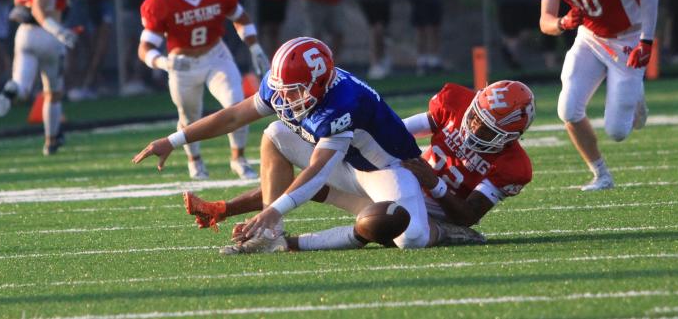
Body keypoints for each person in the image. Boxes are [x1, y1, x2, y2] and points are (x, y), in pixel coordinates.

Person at [133, 37, 479, 254]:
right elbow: (233, 117)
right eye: (282, 88)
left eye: (294, 90)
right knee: (274, 134)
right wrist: (174, 140)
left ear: (320, 83)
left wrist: (273, 207)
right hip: (349, 166)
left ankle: (442, 230)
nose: (285, 97)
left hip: (386, 170)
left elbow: (317, 170)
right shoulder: (286, 83)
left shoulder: (344, 102)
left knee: (411, 238)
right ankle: (269, 236)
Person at [183, 80, 535, 252]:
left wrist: (436, 183)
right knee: (318, 170)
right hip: (396, 179)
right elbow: (404, 128)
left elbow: (468, 213)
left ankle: (442, 236)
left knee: (402, 234)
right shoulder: (455, 102)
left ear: (512, 131)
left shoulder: (514, 166)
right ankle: (226, 210)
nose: (473, 128)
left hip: (436, 207)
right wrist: (361, 136)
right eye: (475, 118)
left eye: (486, 128)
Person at [534, 0, 660, 191]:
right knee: (568, 109)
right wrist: (563, 23)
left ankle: (636, 96)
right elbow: (546, 22)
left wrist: (647, 42)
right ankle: (601, 174)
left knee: (617, 131)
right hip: (590, 38)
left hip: (627, 39)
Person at [138, 0, 271, 180]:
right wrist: (164, 63)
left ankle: (238, 158)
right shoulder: (159, 1)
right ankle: (195, 160)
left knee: (236, 104)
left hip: (215, 55)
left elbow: (241, 18)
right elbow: (145, 48)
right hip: (182, 64)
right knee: (189, 117)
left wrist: (255, 48)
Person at [0, 0, 79, 156]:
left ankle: (13, 89)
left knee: (22, 85)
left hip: (24, 34)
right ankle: (51, 141)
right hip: (47, 35)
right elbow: (40, 9)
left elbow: (20, 1)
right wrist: (60, 31)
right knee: (53, 91)